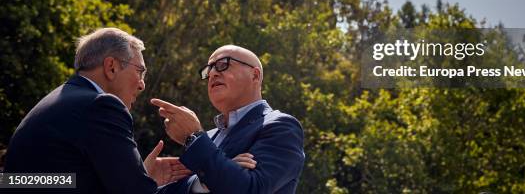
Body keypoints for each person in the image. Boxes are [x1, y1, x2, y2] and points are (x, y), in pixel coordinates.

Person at [4, 28, 192, 193]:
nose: (142, 84)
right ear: (111, 67)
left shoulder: (61, 101)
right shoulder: (101, 106)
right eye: (139, 72)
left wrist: (138, 174)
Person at [151, 45, 305, 194]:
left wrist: (193, 137)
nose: (212, 74)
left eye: (222, 64)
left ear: (255, 75)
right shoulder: (207, 138)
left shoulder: (282, 126)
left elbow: (251, 189)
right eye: (208, 70)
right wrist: (201, 183)